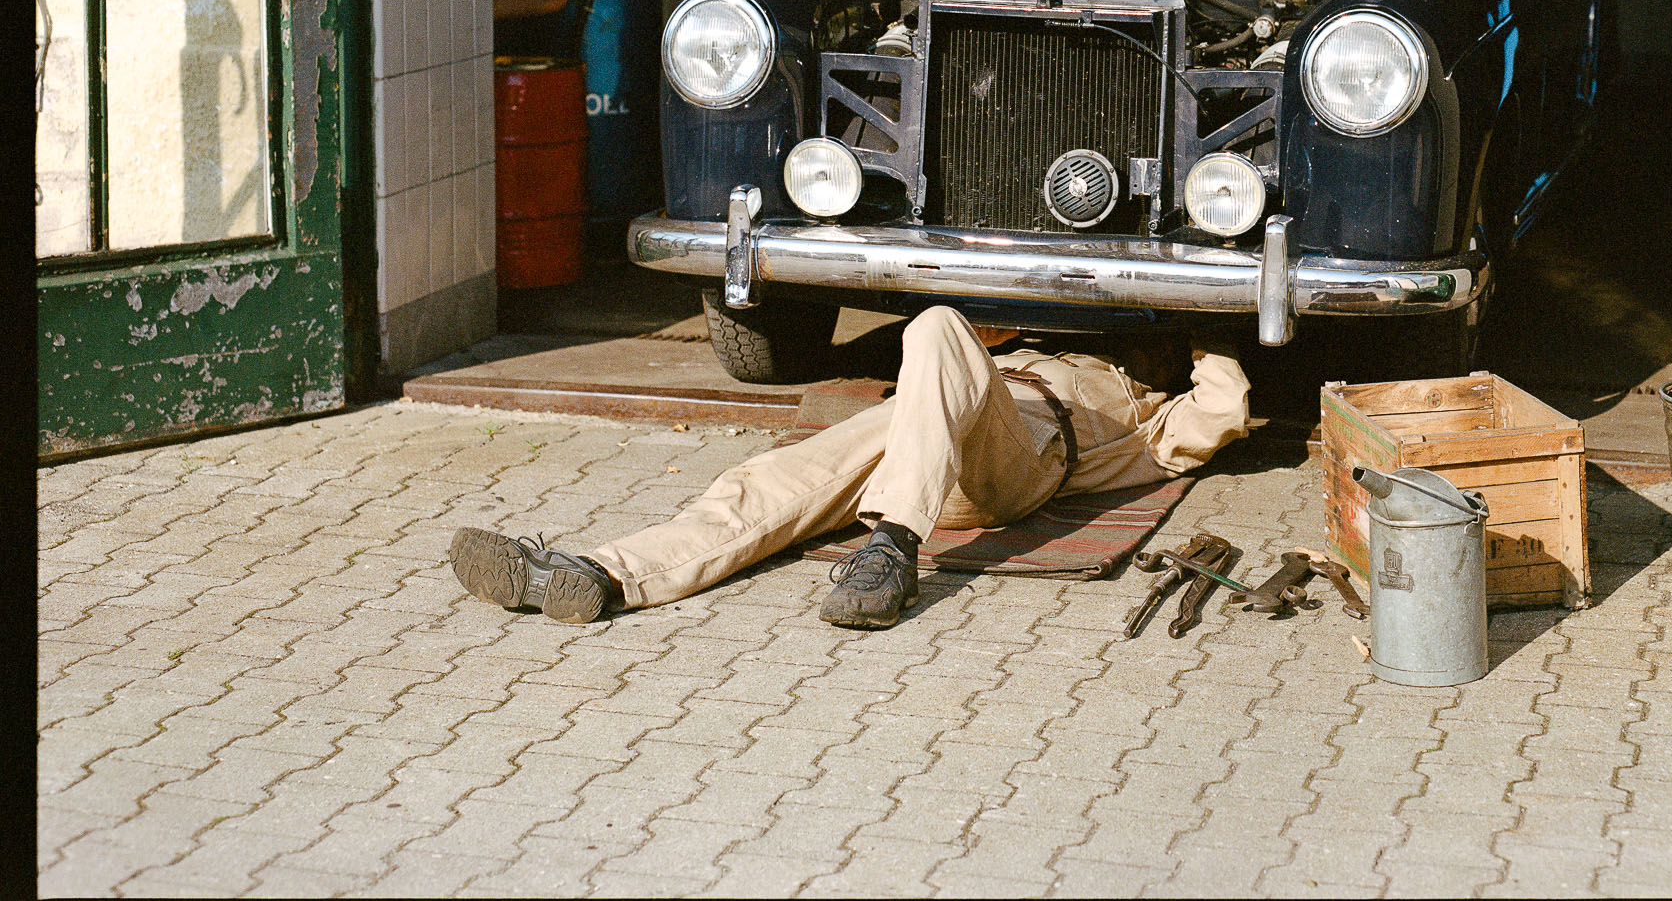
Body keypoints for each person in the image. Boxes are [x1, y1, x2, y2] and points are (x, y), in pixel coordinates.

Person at [448, 305, 1252, 630]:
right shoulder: (1030, 346)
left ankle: (894, 544)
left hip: (1017, 462)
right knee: (765, 488)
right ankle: (595, 573)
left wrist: (1198, 325)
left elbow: (1226, 406)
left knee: (935, 326)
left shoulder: (1148, 419)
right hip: (925, 435)